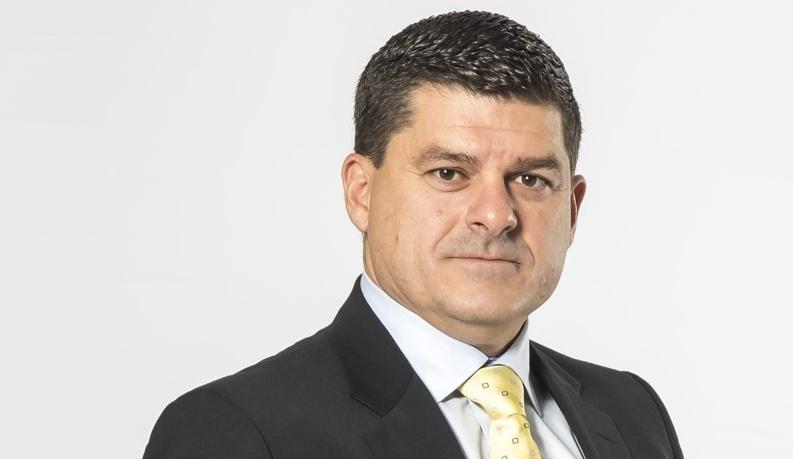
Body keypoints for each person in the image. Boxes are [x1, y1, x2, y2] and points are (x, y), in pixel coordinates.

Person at [143, 10, 683, 459]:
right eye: (449, 173)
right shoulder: (235, 432)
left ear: (573, 207)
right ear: (361, 192)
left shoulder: (633, 413)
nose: (496, 215)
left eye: (530, 179)